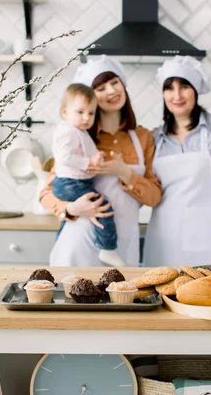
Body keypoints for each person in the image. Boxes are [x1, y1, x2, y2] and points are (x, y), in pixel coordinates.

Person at [39, 55, 162, 267]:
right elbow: (46, 194)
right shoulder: (79, 138)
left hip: (122, 249)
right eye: (101, 88)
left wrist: (125, 173)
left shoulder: (142, 137)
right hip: (79, 245)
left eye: (115, 83)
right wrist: (72, 209)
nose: (112, 91)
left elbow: (154, 197)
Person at [142, 56, 211, 267]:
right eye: (169, 88)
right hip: (164, 239)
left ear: (195, 91)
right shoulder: (154, 138)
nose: (177, 95)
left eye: (184, 86)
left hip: (209, 237)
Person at [50, 83, 124, 267]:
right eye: (80, 112)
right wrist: (87, 162)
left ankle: (59, 242)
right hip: (70, 183)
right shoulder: (68, 132)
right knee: (103, 207)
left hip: (72, 182)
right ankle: (108, 249)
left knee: (67, 226)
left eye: (91, 113)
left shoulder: (77, 131)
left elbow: (80, 152)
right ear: (65, 112)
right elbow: (64, 157)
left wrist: (94, 157)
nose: (86, 117)